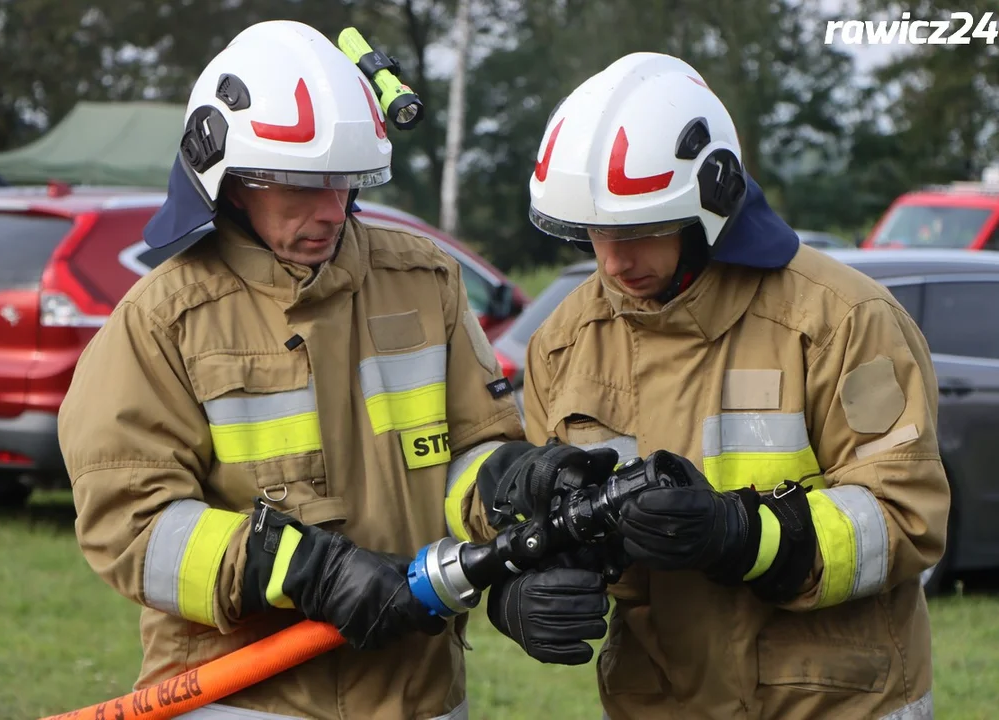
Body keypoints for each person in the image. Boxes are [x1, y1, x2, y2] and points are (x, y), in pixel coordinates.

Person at [57, 20, 612, 720]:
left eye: (345, 183)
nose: (330, 212)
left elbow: (470, 453)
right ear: (226, 182)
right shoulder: (164, 318)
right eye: (298, 186)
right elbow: (130, 525)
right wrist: (301, 571)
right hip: (245, 700)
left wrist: (509, 484)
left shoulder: (424, 282)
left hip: (419, 698)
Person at [452, 52, 949, 719]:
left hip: (831, 704)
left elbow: (905, 518)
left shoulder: (842, 320)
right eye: (595, 231)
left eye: (640, 230)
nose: (612, 259)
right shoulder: (565, 343)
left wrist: (743, 536)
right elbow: (556, 519)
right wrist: (521, 594)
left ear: (711, 204)